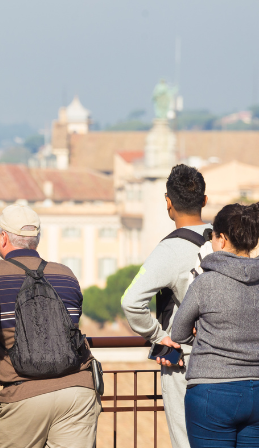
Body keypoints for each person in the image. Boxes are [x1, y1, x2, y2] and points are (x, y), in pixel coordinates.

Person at [0, 204, 100, 448]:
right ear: (35, 240)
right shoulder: (66, 274)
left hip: (23, 393)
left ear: (3, 238)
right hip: (77, 389)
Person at [121, 164, 210, 448]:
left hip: (185, 361)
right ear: (205, 200)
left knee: (187, 440)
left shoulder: (169, 249)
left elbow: (131, 302)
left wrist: (159, 337)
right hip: (233, 362)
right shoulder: (225, 238)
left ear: (168, 203)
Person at [171, 203, 259, 448]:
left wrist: (201, 335)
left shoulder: (205, 282)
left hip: (212, 392)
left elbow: (178, 332)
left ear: (221, 239)